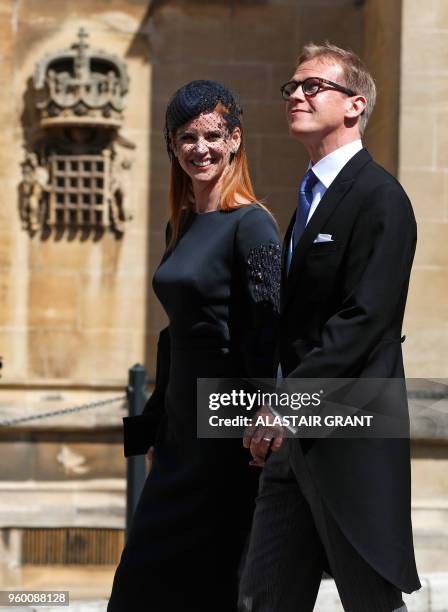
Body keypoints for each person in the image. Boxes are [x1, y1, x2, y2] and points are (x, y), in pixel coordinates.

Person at [239, 43, 421, 612]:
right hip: (293, 440)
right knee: (262, 597)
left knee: (370, 600)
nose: (295, 94)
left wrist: (287, 403)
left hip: (347, 434)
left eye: (312, 86)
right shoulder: (309, 198)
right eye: (291, 87)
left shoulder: (380, 197)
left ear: (354, 105)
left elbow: (365, 320)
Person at [107, 80, 281, 612]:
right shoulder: (179, 224)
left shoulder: (253, 224)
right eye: (186, 137)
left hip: (227, 429)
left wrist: (268, 408)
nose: (199, 148)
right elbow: (175, 336)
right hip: (181, 426)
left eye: (212, 134)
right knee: (143, 581)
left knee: (210, 581)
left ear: (234, 139)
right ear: (172, 146)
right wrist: (160, 424)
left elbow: (266, 327)